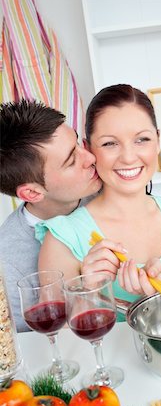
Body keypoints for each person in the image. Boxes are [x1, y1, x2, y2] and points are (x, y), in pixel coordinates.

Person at [36, 84, 161, 313]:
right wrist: (90, 291)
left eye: (142, 139)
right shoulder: (63, 236)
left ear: (157, 141)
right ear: (88, 149)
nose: (128, 157)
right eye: (110, 143)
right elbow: (57, 342)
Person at [0, 100, 102, 331]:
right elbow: (35, 349)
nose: (91, 158)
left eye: (78, 143)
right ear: (32, 192)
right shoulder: (7, 261)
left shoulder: (107, 191)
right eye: (72, 160)